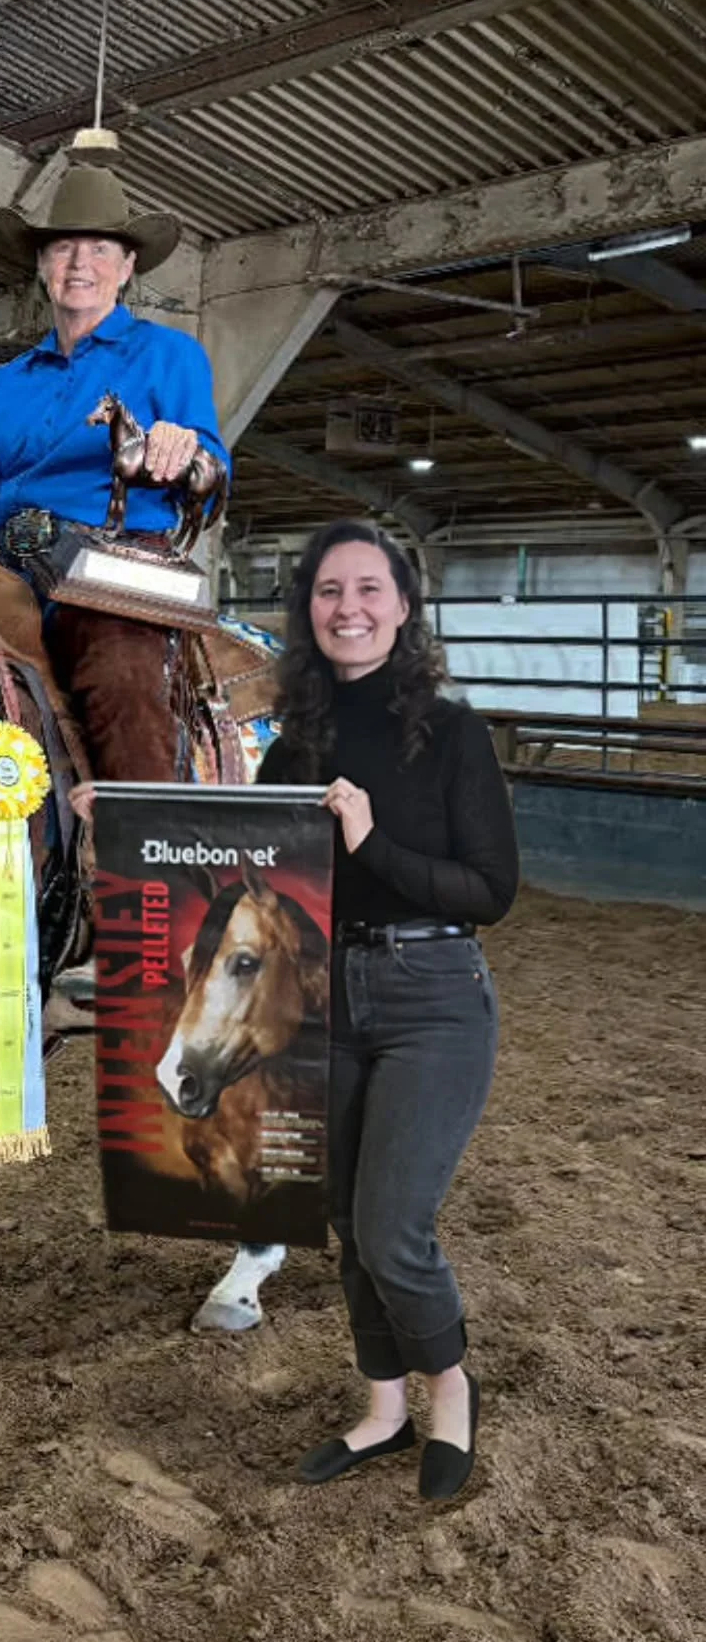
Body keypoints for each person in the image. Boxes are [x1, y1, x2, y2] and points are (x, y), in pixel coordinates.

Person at [255, 519, 518, 1501]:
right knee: (342, 1217)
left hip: (433, 996)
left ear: (404, 606)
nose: (349, 608)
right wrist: (129, 824)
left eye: (370, 588)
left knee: (392, 1223)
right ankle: (382, 1407)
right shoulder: (292, 745)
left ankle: (450, 1388)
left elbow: (492, 889)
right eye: (329, 590)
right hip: (325, 991)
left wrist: (371, 845)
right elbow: (246, 859)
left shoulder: (454, 733)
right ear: (308, 609)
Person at [0, 163, 227, 785]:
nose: (80, 263)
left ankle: (143, 829)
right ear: (43, 264)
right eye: (63, 248)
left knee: (121, 679)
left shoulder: (169, 355)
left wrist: (185, 451)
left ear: (127, 267)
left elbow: (212, 468)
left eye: (99, 248)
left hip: (109, 566)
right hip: (3, 559)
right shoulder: (4, 383)